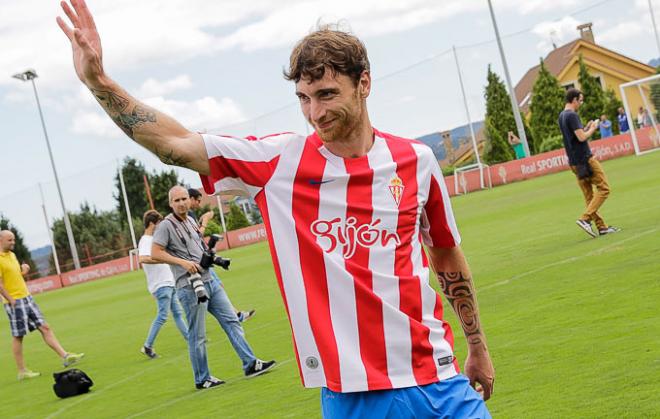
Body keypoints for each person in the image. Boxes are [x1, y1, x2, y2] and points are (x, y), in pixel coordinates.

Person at [58, 2, 494, 416]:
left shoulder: (417, 162)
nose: (315, 113)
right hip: (357, 393)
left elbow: (445, 254)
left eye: (326, 94)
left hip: (440, 376)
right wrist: (100, 83)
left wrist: (477, 346)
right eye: (304, 98)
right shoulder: (279, 164)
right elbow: (174, 145)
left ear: (364, 83)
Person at [152, 186, 275, 389]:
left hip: (209, 279)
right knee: (197, 335)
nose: (182, 203)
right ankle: (202, 378)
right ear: (170, 203)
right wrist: (182, 263)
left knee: (232, 321)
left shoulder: (191, 220)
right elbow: (155, 252)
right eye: (177, 200)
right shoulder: (165, 226)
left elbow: (199, 247)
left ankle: (251, 363)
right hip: (189, 285)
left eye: (184, 199)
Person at [0, 230, 84, 380]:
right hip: (14, 301)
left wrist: (23, 271)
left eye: (13, 240)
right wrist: (11, 300)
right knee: (18, 336)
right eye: (9, 240)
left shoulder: (12, 255)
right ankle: (22, 371)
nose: (13, 242)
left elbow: (14, 276)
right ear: (1, 241)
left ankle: (65, 356)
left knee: (45, 327)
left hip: (27, 298)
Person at [558, 88, 620, 238]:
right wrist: (592, 128)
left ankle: (602, 227)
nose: (581, 103)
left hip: (573, 162)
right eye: (580, 100)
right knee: (604, 189)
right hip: (585, 159)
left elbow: (575, 136)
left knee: (589, 196)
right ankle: (585, 219)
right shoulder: (572, 115)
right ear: (574, 100)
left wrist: (585, 128)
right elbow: (581, 138)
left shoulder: (562, 115)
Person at [187, 188, 255, 323]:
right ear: (191, 198)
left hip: (201, 258)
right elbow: (196, 236)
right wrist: (205, 220)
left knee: (217, 287)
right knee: (212, 290)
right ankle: (233, 316)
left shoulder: (190, 214)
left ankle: (236, 315)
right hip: (198, 260)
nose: (199, 204)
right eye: (198, 201)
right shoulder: (188, 214)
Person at [138, 210, 189, 359]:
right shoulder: (146, 240)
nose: (161, 226)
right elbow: (143, 259)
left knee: (178, 313)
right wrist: (164, 259)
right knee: (162, 316)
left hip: (169, 281)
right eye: (159, 223)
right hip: (161, 284)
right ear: (152, 223)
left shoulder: (152, 239)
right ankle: (147, 346)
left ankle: (190, 339)